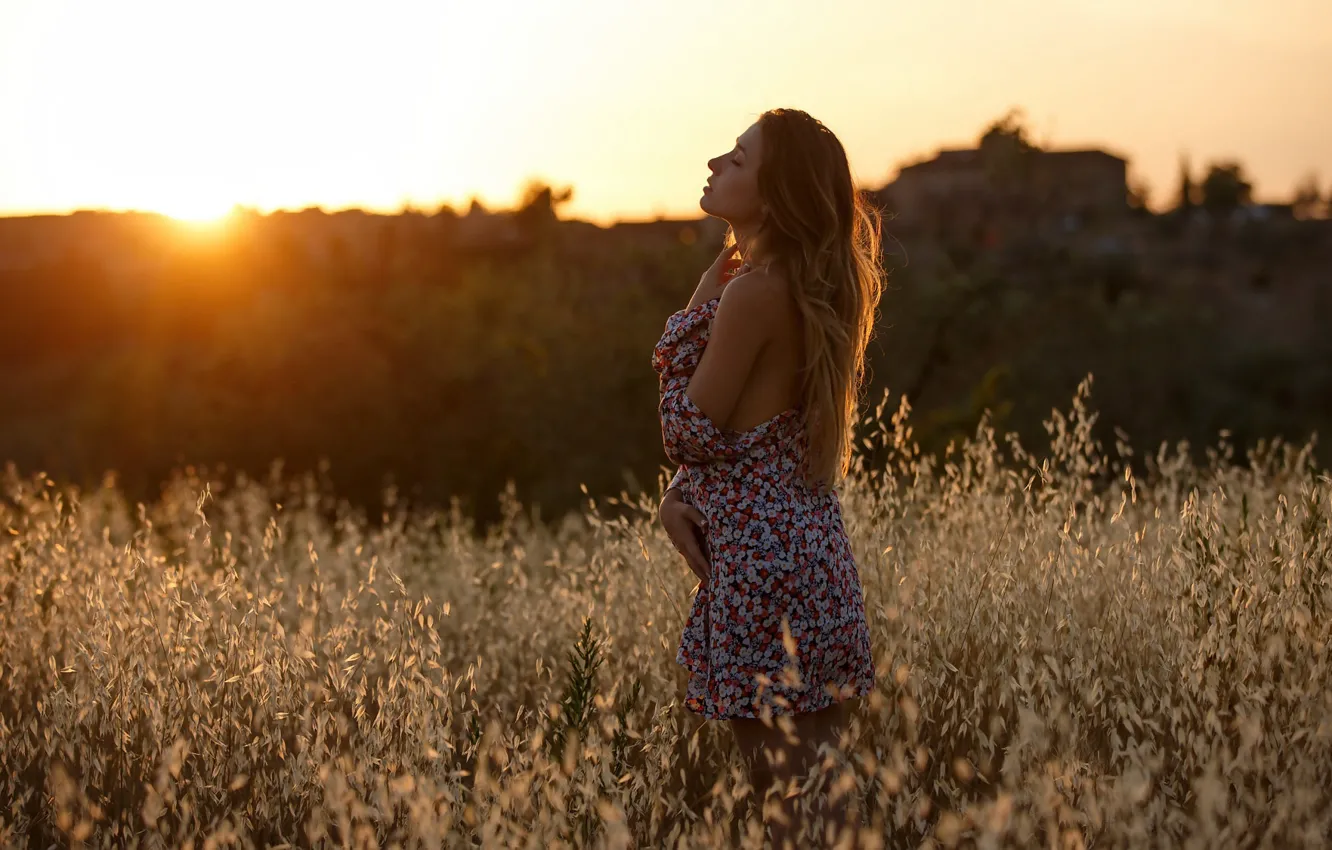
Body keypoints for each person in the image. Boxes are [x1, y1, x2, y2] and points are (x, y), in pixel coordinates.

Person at [651, 107, 887, 849]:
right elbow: (756, 441)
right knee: (822, 803)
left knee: (790, 816)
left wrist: (695, 303)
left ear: (776, 193)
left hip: (762, 571)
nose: (718, 161)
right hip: (814, 560)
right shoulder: (808, 289)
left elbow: (685, 428)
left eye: (741, 159)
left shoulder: (753, 293)